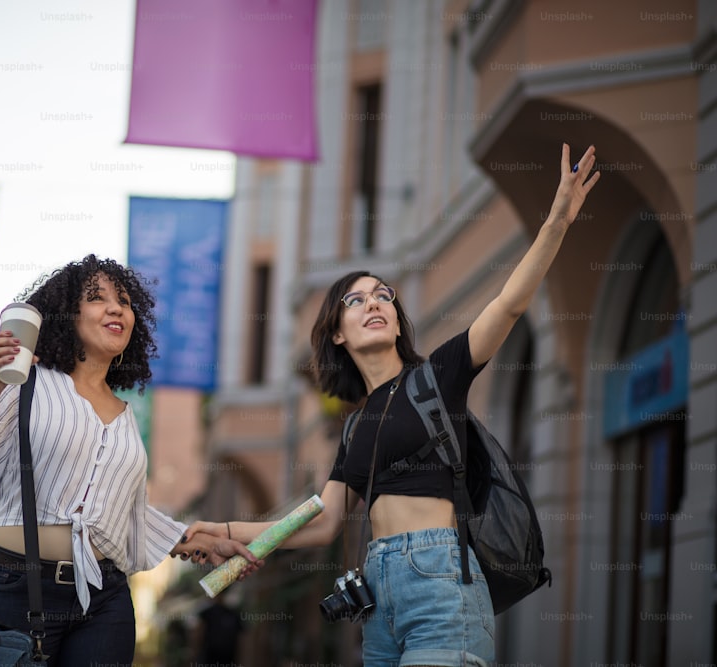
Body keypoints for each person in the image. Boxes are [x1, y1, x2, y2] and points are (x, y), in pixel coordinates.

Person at [186, 144, 600, 666]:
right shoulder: (356, 426)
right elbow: (322, 521)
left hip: (442, 583)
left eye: (383, 295)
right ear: (336, 333)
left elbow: (509, 303)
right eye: (355, 301)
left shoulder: (438, 377)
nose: (374, 303)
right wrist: (224, 534)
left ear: (399, 320)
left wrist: (556, 222)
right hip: (378, 599)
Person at [0, 255, 259, 666]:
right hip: (7, 587)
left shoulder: (126, 418)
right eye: (98, 298)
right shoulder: (25, 378)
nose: (117, 307)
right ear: (67, 315)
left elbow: (129, 517)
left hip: (103, 601)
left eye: (125, 300)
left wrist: (205, 542)